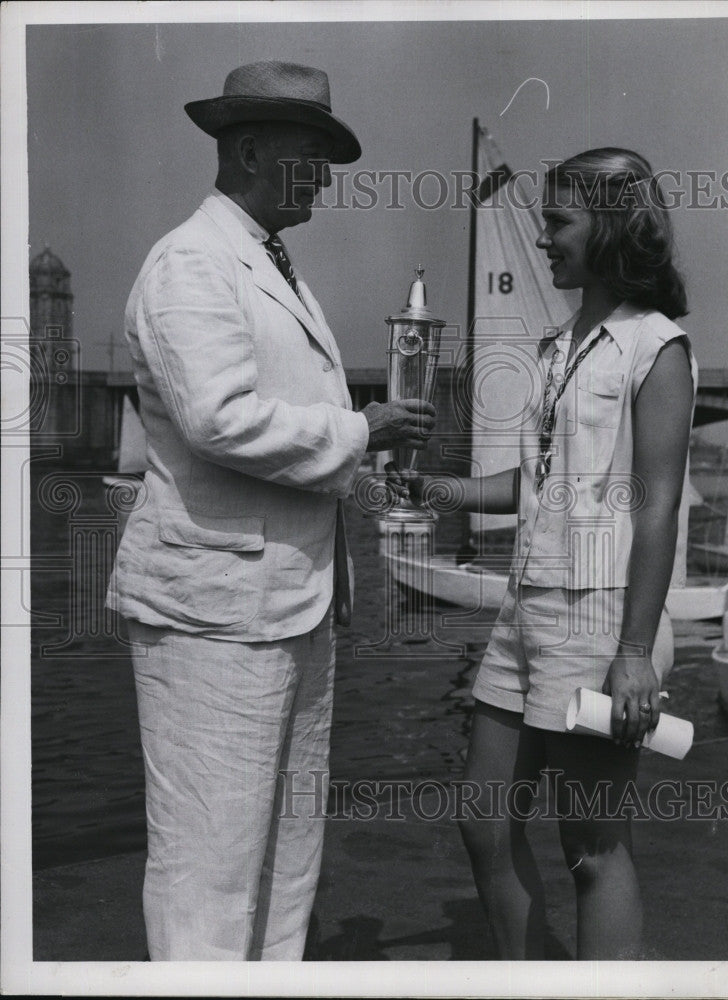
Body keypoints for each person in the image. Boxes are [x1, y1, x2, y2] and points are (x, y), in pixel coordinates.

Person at [106, 60, 435, 961]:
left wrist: (358, 450)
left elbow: (276, 426)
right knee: (208, 869)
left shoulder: (265, 266)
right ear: (247, 152)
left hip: (291, 610)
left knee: (287, 864)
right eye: (310, 156)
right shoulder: (189, 264)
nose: (325, 177)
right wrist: (360, 430)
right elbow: (218, 420)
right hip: (212, 617)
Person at [390, 148, 696, 958]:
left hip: (599, 619)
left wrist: (633, 653)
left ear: (613, 226)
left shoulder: (654, 349)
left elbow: (657, 506)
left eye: (557, 222)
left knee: (591, 849)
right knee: (483, 825)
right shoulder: (558, 347)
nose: (542, 240)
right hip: (525, 608)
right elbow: (541, 484)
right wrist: (437, 492)